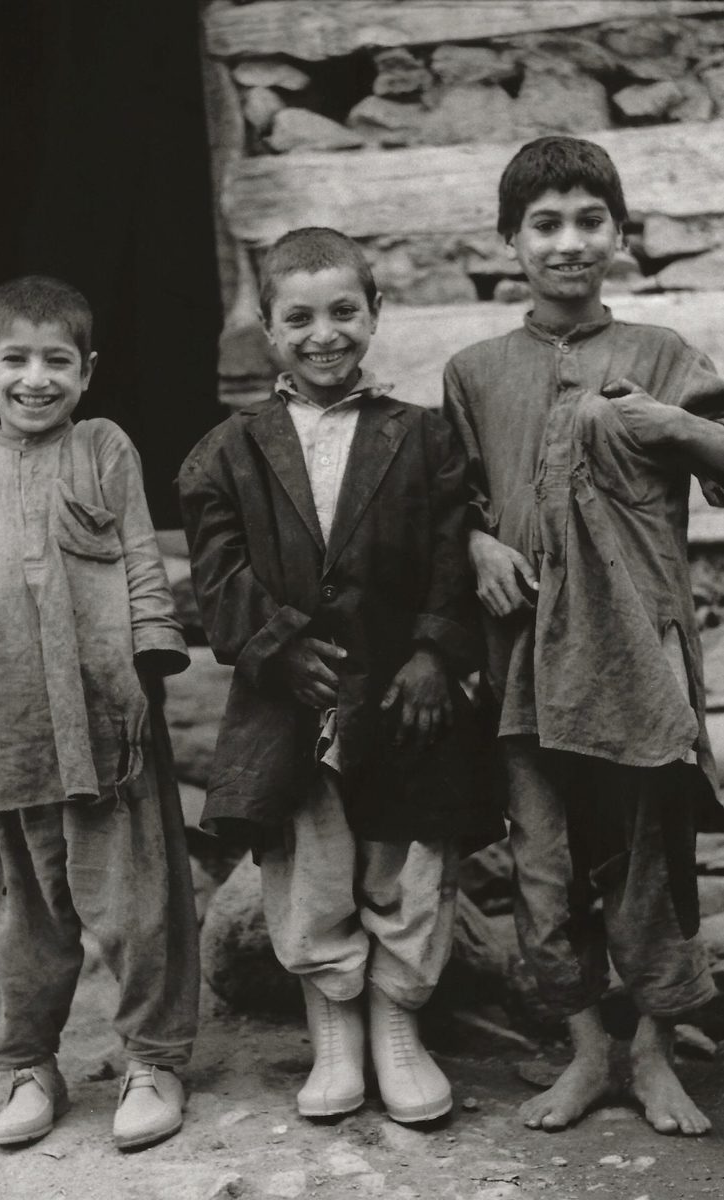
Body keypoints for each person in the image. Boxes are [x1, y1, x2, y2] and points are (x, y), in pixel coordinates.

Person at [179, 227, 502, 1125]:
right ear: (268, 333)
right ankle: (335, 1040)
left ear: (374, 314)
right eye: (300, 318)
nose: (324, 334)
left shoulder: (424, 438)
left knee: (406, 860)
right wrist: (277, 644)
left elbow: (449, 551)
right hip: (294, 700)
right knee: (310, 868)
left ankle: (400, 1031)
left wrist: (438, 652)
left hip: (405, 694)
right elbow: (216, 575)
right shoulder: (227, 453)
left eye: (343, 312)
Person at [443, 135, 724, 1137]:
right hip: (524, 655)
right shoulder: (474, 372)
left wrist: (668, 424)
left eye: (589, 220)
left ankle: (653, 1054)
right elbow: (455, 499)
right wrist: (477, 540)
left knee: (650, 852)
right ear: (510, 241)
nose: (569, 243)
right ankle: (587, 1049)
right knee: (544, 864)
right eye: (546, 224)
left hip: (638, 649)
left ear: (620, 233)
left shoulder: (662, 356)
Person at [0, 276, 200, 1151]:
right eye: (15, 360)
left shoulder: (104, 447)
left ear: (86, 372)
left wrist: (147, 666)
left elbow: (140, 559)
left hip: (105, 719)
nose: (34, 379)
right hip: (2, 719)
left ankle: (154, 1059)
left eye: (56, 362)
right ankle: (27, 1065)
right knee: (20, 914)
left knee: (136, 901)